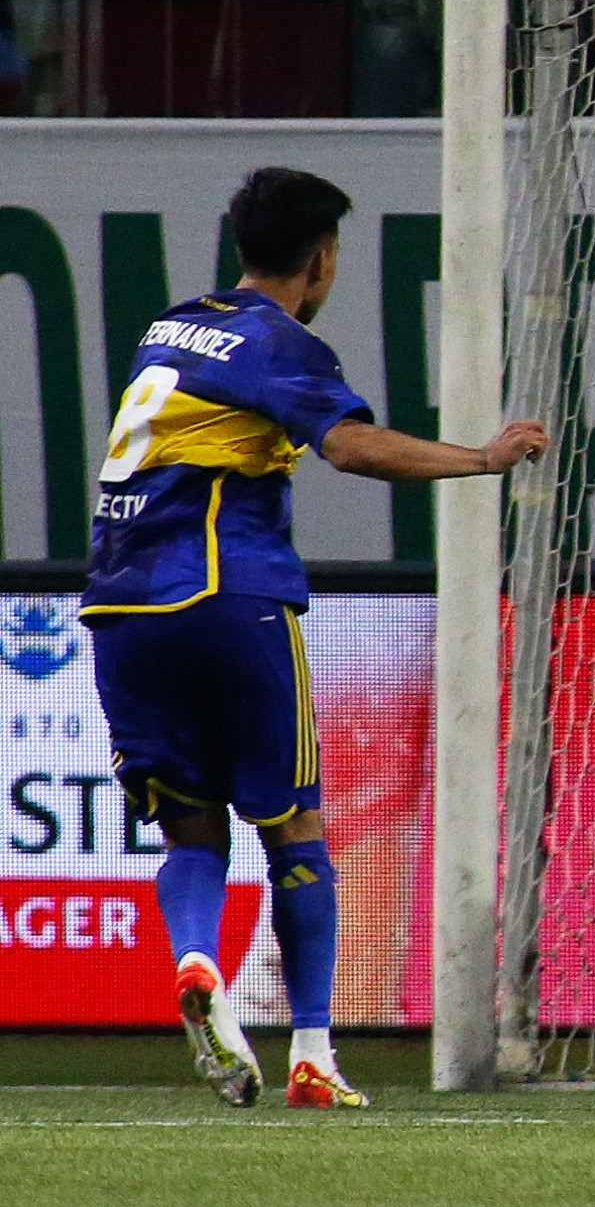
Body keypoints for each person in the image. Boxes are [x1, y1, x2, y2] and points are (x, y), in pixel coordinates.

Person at [83, 167, 549, 1108]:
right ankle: (310, 1053)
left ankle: (198, 963)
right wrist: (482, 459)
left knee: (190, 829)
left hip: (118, 607)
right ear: (324, 257)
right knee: (295, 832)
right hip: (229, 598)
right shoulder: (282, 344)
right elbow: (350, 447)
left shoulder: (167, 326)